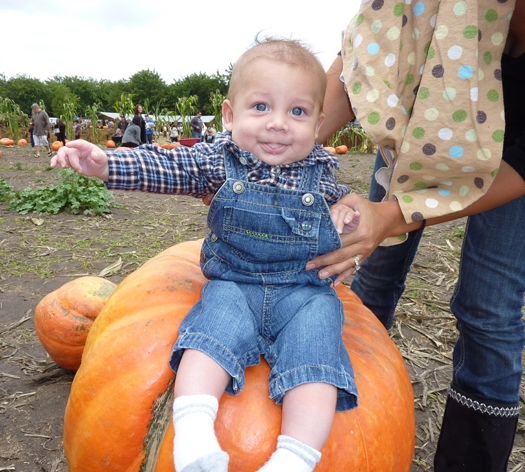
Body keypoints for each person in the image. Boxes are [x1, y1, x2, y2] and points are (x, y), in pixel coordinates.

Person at [52, 37, 362, 472]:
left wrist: (347, 214)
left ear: (318, 122)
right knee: (208, 340)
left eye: (297, 111)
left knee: (317, 356)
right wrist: (107, 164)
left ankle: (294, 458)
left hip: (305, 293)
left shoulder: (323, 172)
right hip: (235, 284)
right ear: (229, 116)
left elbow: (349, 212)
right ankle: (194, 437)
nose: (278, 124)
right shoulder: (218, 159)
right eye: (261, 107)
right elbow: (166, 167)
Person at [307, 1, 525, 470]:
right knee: (376, 271)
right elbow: (364, 57)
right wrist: (289, 140)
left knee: (490, 307)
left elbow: (521, 167)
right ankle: (348, 414)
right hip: (425, 123)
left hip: (514, 161)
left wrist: (394, 215)